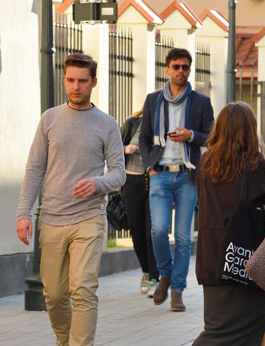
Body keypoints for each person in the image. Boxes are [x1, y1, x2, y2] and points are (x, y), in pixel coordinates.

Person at [16, 53, 126, 346]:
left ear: (94, 82)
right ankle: (65, 340)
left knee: (83, 288)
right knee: (53, 294)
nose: (76, 86)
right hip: (51, 217)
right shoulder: (49, 119)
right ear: (64, 79)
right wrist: (23, 213)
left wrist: (96, 183)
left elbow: (119, 174)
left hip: (89, 217)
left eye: (82, 81)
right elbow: (35, 167)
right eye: (70, 80)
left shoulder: (107, 124)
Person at [194, 102, 265, 346]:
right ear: (250, 130)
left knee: (218, 325)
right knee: (243, 327)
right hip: (245, 255)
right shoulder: (254, 164)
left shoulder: (206, 163)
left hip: (212, 258)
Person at [139, 48, 215, 311]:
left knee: (183, 237)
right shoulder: (152, 101)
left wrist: (191, 135)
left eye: (185, 67)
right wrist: (150, 166)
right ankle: (165, 274)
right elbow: (144, 137)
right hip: (160, 174)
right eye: (176, 66)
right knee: (158, 230)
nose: (180, 71)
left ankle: (178, 291)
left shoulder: (201, 102)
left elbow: (211, 137)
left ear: (190, 70)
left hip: (188, 175)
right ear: (167, 69)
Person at [120, 110, 158, 296]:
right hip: (132, 182)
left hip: (154, 183)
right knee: (137, 232)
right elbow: (111, 148)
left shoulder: (162, 127)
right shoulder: (132, 124)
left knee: (153, 232)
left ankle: (154, 278)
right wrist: (125, 149)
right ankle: (145, 271)